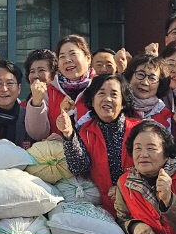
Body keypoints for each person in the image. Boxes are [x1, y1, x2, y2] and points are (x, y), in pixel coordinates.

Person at [55, 72, 136, 214]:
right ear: (92, 101)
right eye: (101, 93)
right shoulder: (84, 131)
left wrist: (125, 187)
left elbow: (152, 168)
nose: (107, 99)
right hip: (105, 209)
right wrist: (68, 134)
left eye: (114, 94)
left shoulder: (139, 130)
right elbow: (79, 167)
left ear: (123, 102)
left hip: (138, 202)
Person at [125, 54, 173, 129]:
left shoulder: (164, 113)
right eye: (140, 74)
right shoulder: (119, 107)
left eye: (152, 78)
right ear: (130, 76)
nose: (145, 82)